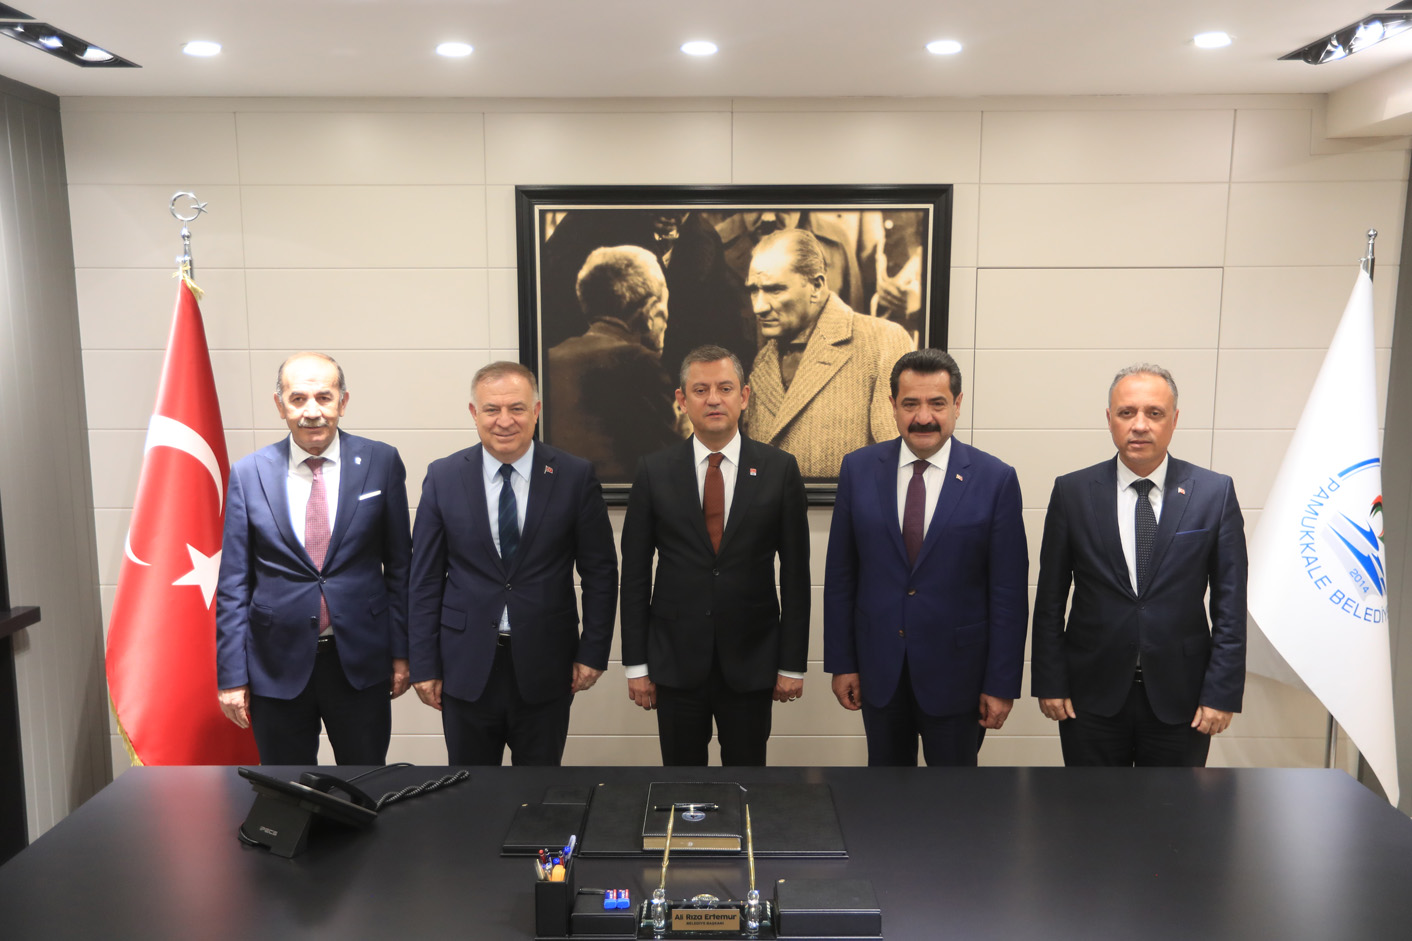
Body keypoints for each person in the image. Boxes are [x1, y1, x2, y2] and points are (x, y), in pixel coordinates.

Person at [1031, 364, 1247, 767]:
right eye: (1127, 412)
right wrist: (1049, 680)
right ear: (1109, 418)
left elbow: (1230, 606)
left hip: (1183, 697)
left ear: (1174, 420)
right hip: (1089, 695)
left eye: (1154, 413)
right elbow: (1049, 600)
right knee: (1090, 805)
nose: (1140, 425)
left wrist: (1222, 692)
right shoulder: (1072, 492)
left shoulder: (1213, 493)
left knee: (1173, 807)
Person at [823, 349, 1028, 766]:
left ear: (957, 404)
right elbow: (841, 576)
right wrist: (842, 663)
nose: (923, 417)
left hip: (960, 677)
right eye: (910, 404)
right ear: (892, 406)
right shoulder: (858, 470)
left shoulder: (995, 479)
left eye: (937, 403)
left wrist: (1001, 683)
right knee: (886, 794)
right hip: (880, 671)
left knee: (952, 799)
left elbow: (1008, 593)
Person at [407, 362, 617, 765]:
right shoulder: (443, 476)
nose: (504, 421)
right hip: (465, 664)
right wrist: (423, 663)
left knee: (539, 791)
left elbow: (601, 573)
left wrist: (593, 651)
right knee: (470, 789)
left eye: (517, 408)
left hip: (546, 664)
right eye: (492, 409)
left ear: (536, 411)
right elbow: (425, 579)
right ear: (474, 413)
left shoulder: (574, 476)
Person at [216, 352, 411, 765]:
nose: (312, 411)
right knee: (285, 790)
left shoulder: (381, 462)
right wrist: (232, 676)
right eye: (298, 399)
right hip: (275, 665)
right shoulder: (249, 473)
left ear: (343, 401)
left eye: (324, 397)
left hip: (360, 660)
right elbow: (233, 584)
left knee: (364, 784)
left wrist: (403, 652)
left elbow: (400, 569)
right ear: (279, 405)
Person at [619, 345, 809, 766]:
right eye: (700, 390)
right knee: (681, 784)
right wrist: (636, 665)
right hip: (675, 661)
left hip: (752, 661)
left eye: (725, 388)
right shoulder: (654, 471)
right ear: (682, 399)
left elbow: (796, 576)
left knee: (747, 782)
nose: (713, 399)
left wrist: (792, 664)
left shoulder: (779, 469)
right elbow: (634, 576)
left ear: (744, 396)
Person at [745, 228, 914, 479]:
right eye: (753, 290)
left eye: (775, 289)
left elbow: (897, 466)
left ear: (816, 285)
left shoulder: (882, 342)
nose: (759, 306)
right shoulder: (762, 362)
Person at [544, 246, 685, 482]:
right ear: (651, 312)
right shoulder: (640, 362)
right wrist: (685, 430)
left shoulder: (549, 358)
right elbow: (668, 468)